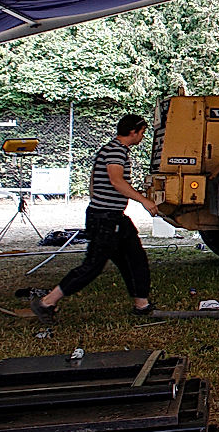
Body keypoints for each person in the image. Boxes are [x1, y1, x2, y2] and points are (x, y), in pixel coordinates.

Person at [30, 114, 159, 323]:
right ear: (133, 131)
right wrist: (144, 200)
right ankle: (46, 302)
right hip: (106, 219)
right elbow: (117, 181)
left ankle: (141, 304)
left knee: (135, 258)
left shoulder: (110, 149)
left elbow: (92, 184)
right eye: (142, 132)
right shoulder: (116, 151)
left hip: (114, 217)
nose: (143, 137)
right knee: (93, 265)